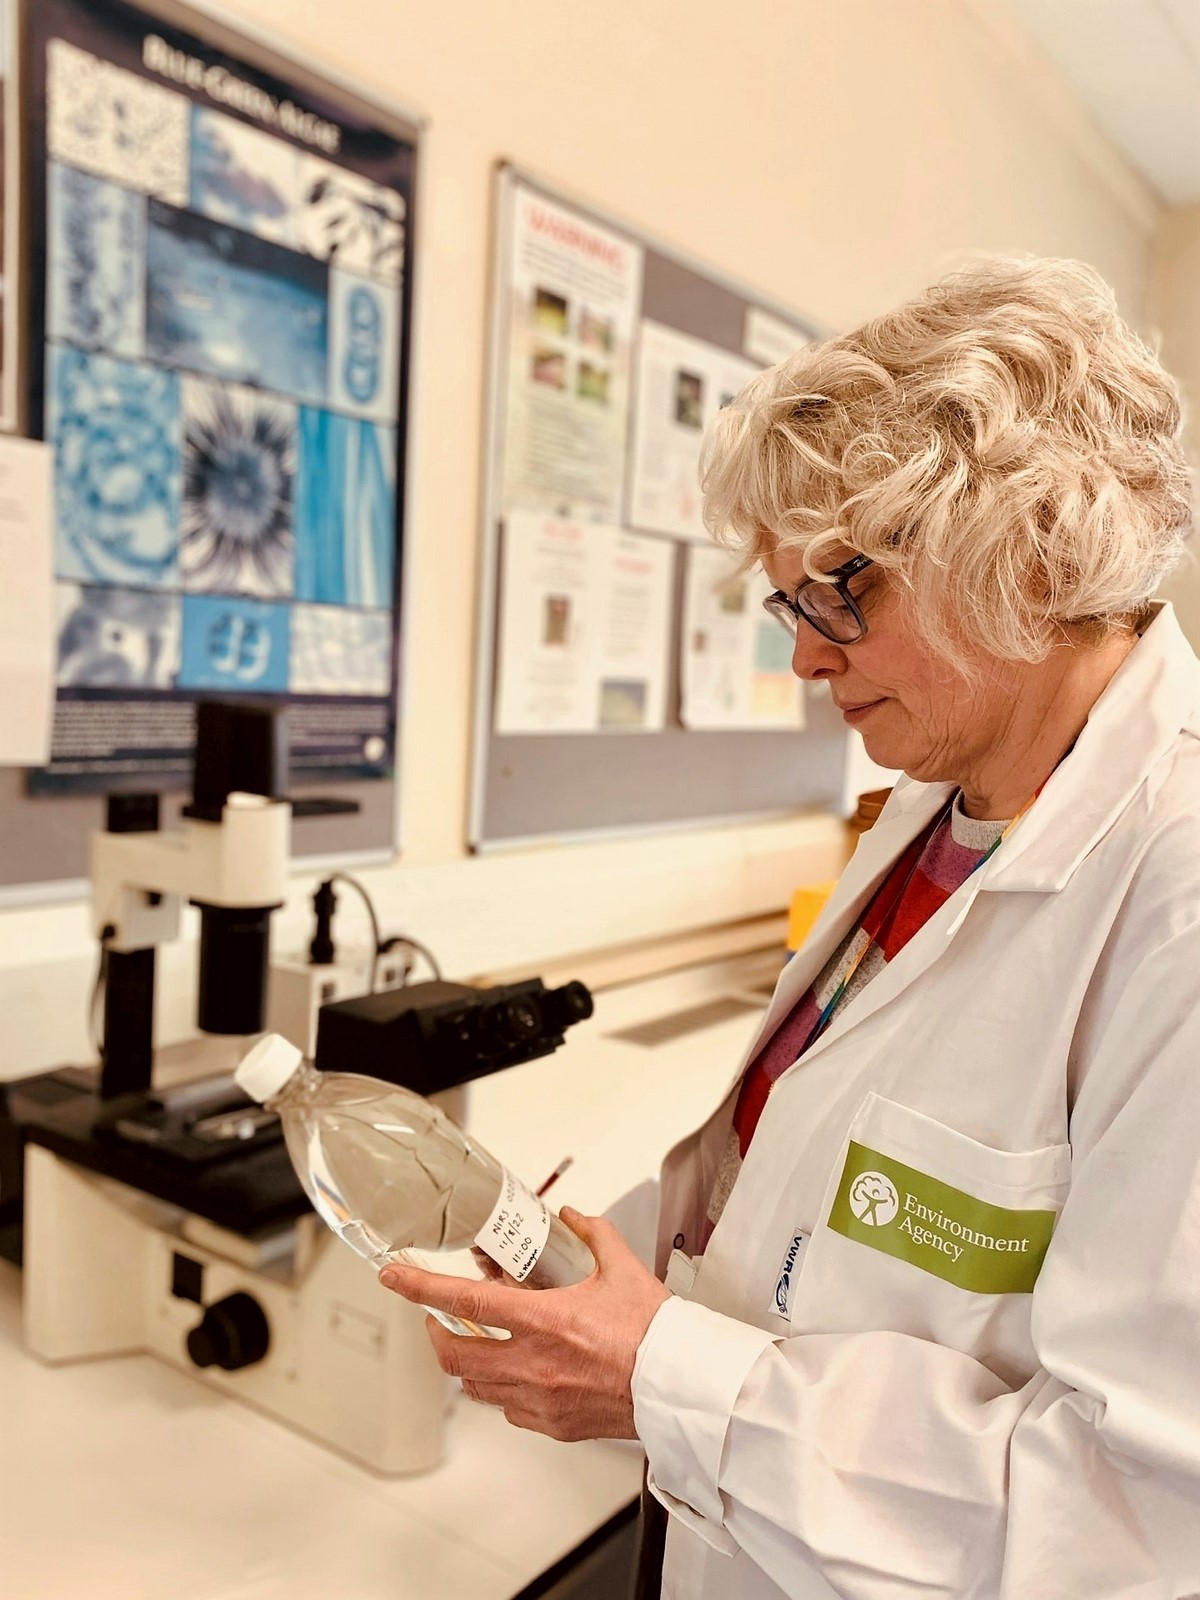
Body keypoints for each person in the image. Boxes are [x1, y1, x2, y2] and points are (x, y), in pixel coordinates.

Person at [380, 256, 1200, 1599]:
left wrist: (666, 1379)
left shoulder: (1177, 896)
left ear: (1034, 552)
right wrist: (594, 1281)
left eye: (842, 593)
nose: (807, 656)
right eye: (788, 605)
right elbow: (809, 1186)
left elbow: (1131, 1524)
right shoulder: (942, 796)